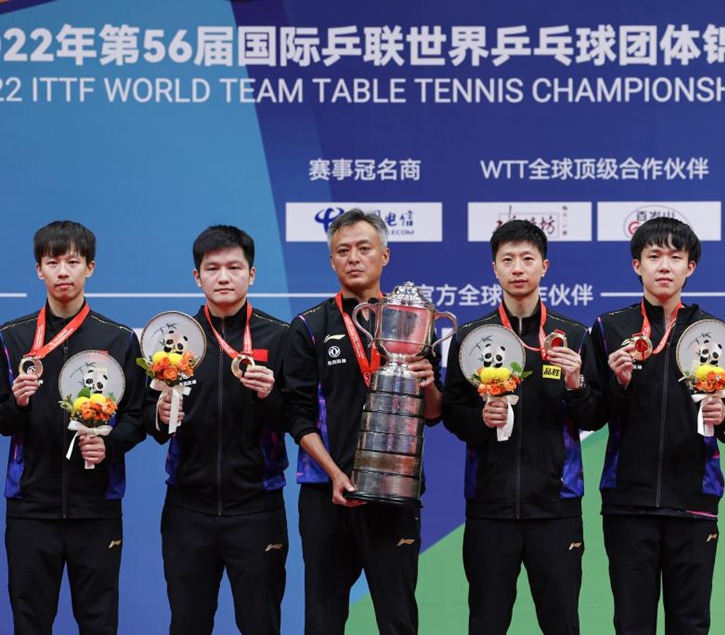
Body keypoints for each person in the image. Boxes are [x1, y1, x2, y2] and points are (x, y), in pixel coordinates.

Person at [283, 208, 443, 634]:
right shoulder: (309, 327)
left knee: (397, 617)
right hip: (326, 494)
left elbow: (433, 413)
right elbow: (296, 415)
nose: (353, 258)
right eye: (342, 250)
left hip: (394, 492)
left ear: (385, 256)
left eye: (363, 248)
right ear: (332, 261)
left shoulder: (416, 320)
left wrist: (428, 383)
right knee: (323, 616)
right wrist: (336, 474)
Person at [442, 219, 598, 635]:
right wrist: (480, 420)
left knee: (562, 623)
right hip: (490, 509)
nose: (517, 268)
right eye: (507, 259)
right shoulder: (471, 338)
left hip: (556, 508)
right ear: (494, 268)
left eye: (527, 259)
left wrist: (576, 384)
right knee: (487, 624)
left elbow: (593, 417)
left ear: (544, 266)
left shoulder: (574, 336)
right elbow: (452, 412)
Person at [588, 217, 725, 634]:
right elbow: (591, 414)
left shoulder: (713, 333)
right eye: (654, 257)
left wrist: (724, 416)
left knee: (690, 624)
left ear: (691, 267)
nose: (664, 266)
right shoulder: (610, 328)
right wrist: (617, 384)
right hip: (628, 503)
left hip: (694, 500)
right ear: (637, 265)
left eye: (675, 257)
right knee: (632, 624)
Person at [0, 220, 147, 633]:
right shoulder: (12, 338)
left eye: (73, 261)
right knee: (30, 622)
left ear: (90, 268)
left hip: (96, 508)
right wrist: (19, 401)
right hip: (30, 506)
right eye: (53, 262)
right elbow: (2, 419)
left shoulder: (118, 339)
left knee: (99, 622)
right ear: (38, 270)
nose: (63, 271)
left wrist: (111, 444)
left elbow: (136, 416)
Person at [145, 225, 290, 634]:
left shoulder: (279, 337)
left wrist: (271, 395)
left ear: (252, 274)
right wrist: (159, 410)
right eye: (212, 268)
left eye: (233, 267)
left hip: (257, 507)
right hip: (187, 509)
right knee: (188, 624)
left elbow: (296, 419)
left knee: (261, 624)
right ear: (197, 277)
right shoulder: (173, 341)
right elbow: (147, 424)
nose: (223, 277)